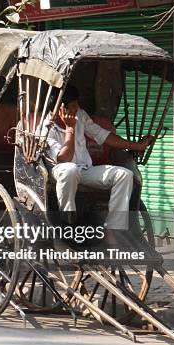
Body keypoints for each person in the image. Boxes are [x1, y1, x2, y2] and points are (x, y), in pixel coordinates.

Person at [43, 85, 153, 240]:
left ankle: (113, 230)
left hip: (85, 170)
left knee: (124, 174)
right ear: (61, 109)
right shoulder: (46, 127)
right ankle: (68, 222)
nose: (78, 109)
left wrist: (137, 146)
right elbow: (63, 159)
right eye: (73, 107)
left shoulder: (80, 115)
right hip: (61, 173)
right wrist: (70, 129)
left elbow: (103, 136)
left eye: (77, 105)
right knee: (70, 169)